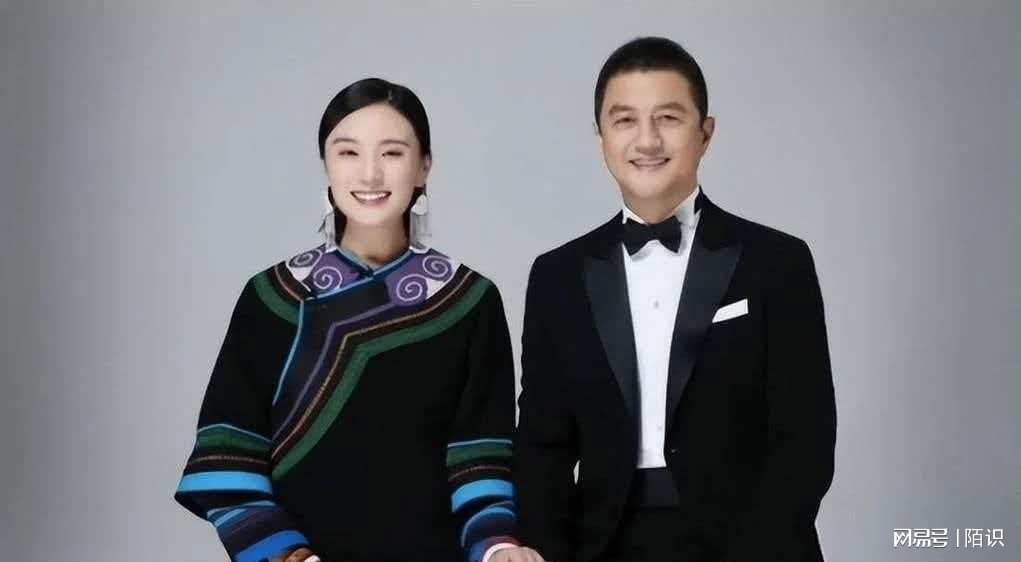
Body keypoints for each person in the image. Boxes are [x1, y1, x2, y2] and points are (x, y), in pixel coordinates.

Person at [175, 78, 540, 562]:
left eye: (392, 153)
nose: (369, 174)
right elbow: (227, 459)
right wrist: (291, 557)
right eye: (348, 152)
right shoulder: (273, 297)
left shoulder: (469, 301)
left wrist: (497, 549)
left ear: (424, 165)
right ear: (326, 164)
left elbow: (481, 461)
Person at [514, 37, 837, 562]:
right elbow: (542, 446)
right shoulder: (557, 276)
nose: (647, 140)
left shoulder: (777, 263)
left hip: (751, 544)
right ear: (601, 138)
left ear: (705, 133)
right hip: (601, 546)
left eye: (668, 118)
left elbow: (805, 439)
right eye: (625, 121)